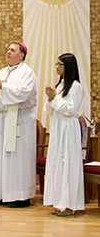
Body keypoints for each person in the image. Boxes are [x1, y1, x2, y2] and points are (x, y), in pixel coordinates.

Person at [0, 42, 37, 207]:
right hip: (3, 120)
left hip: (19, 120)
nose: (8, 52)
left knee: (17, 159)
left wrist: (2, 87)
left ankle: (21, 196)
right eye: (7, 49)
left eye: (12, 50)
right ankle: (1, 194)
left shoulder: (27, 73)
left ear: (21, 55)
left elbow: (24, 93)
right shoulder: (2, 72)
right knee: (2, 158)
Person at [44, 53, 85, 216]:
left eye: (60, 64)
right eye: (56, 63)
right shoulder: (59, 85)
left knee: (67, 163)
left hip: (68, 129)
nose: (57, 67)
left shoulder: (76, 86)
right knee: (57, 164)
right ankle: (60, 202)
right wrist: (50, 98)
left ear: (69, 66)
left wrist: (54, 99)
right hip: (57, 128)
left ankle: (70, 205)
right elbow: (49, 110)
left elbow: (71, 110)